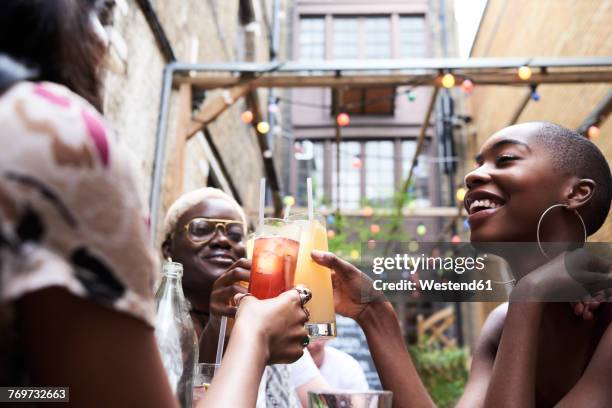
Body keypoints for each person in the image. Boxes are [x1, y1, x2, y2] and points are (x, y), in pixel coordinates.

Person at [0, 1, 309, 407]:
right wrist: (255, 337)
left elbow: (42, 392)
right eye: (102, 13)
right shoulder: (53, 132)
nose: (105, 40)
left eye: (235, 232)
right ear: (164, 249)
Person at [311, 122, 612, 407]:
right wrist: (373, 311)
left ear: (576, 193)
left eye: (506, 158)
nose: (473, 175)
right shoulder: (502, 324)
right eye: (479, 163)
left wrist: (527, 294)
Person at [162, 187, 329, 407]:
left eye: (235, 235)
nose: (222, 240)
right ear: (168, 248)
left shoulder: (274, 322)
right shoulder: (156, 322)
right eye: (201, 229)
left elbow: (325, 403)